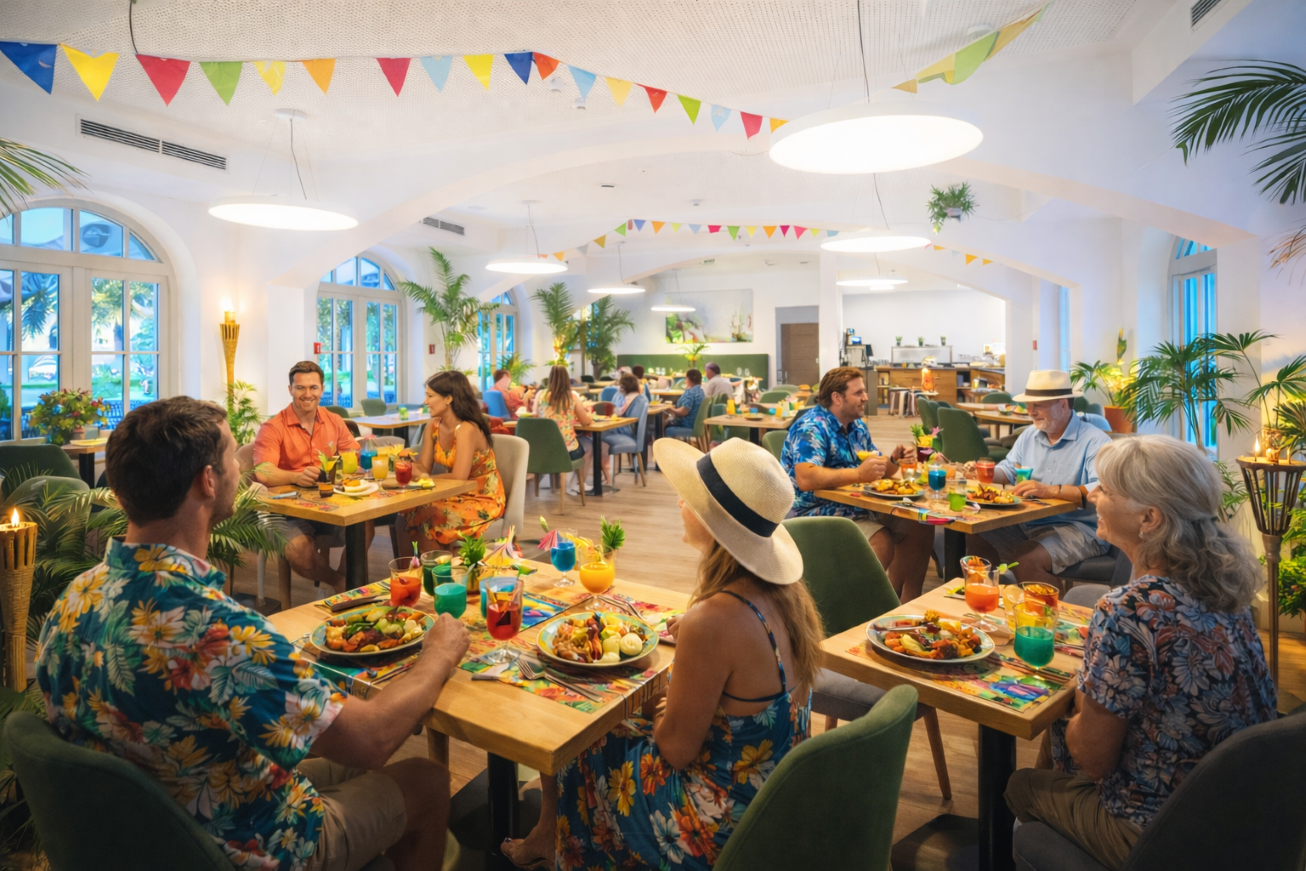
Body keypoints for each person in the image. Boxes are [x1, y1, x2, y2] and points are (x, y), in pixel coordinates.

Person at [37, 397, 472, 871]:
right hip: (244, 843)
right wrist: (439, 654)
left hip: (147, 831)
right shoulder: (216, 631)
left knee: (362, 766)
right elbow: (370, 740)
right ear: (208, 480)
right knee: (426, 780)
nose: (239, 469)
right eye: (231, 458)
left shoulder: (75, 598)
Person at [504, 437, 821, 869]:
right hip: (774, 793)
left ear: (714, 525)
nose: (679, 502)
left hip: (716, 823)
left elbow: (674, 749)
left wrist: (659, 700)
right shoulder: (787, 598)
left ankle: (567, 844)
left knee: (578, 738)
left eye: (690, 498)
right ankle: (551, 836)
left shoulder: (713, 619)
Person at [1005, 435, 1276, 870]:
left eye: (1107, 490)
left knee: (1021, 785)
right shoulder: (1227, 589)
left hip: (1163, 833)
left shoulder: (1126, 610)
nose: (1094, 496)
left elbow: (1092, 759)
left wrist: (1081, 695)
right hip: (1241, 815)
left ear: (1149, 518)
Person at [782, 366, 936, 602]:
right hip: (811, 511)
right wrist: (857, 474)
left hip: (854, 506)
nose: (866, 397)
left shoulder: (857, 427)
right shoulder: (812, 426)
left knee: (920, 522)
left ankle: (903, 602)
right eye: (859, 393)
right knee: (881, 541)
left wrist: (893, 460)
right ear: (837, 397)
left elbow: (876, 470)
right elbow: (806, 478)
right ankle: (855, 608)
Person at [964, 370, 1114, 591]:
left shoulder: (1095, 440)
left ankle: (1053, 619)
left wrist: (1051, 491)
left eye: (1039, 405)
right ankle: (989, 602)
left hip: (1079, 528)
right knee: (977, 533)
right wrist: (982, 471)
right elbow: (1008, 470)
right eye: (1029, 405)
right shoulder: (1028, 436)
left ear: (1063, 404)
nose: (1030, 411)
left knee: (1027, 559)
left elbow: (1100, 489)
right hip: (1028, 522)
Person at [253, 360, 372, 593]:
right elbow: (263, 472)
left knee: (364, 524)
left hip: (329, 504)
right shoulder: (273, 427)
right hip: (286, 510)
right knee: (299, 551)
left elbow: (352, 457)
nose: (307, 394)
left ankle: (343, 583)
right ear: (290, 390)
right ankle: (342, 585)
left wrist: (346, 468)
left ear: (322, 389)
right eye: (300, 388)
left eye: (313, 388)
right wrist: (296, 476)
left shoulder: (334, 420)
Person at [404, 370, 506, 552]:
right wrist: (407, 464)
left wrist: (423, 480)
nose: (425, 401)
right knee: (408, 510)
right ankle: (414, 574)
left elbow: (459, 476)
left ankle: (438, 575)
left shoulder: (467, 428)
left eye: (430, 396)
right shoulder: (433, 426)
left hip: (482, 496)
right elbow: (423, 468)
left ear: (448, 399)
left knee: (430, 515)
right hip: (455, 493)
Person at [537, 364, 607, 493]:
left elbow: (537, 417)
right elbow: (585, 421)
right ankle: (577, 484)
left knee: (575, 445)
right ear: (566, 379)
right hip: (566, 450)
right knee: (589, 448)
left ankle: (560, 482)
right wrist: (590, 417)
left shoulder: (541, 396)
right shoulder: (572, 397)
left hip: (544, 449)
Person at [665, 368, 706, 440]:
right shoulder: (701, 392)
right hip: (697, 426)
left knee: (664, 425)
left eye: (686, 379)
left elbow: (683, 412)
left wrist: (669, 408)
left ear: (688, 379)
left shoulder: (690, 393)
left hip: (687, 425)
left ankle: (664, 449)